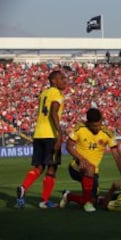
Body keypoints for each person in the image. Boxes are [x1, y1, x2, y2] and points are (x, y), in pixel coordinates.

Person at [59, 108, 121, 212]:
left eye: (99, 125)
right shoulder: (80, 128)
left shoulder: (107, 133)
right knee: (90, 167)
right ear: (88, 123)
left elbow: (117, 156)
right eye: (94, 126)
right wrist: (80, 159)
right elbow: (69, 146)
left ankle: (69, 196)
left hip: (93, 173)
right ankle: (87, 203)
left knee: (93, 199)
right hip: (76, 167)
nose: (97, 128)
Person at [15, 70, 67, 209]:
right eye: (62, 79)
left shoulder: (43, 93)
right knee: (51, 168)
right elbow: (53, 111)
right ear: (54, 81)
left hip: (38, 134)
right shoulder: (57, 93)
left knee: (38, 167)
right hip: (50, 135)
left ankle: (24, 187)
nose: (65, 81)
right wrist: (59, 134)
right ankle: (44, 201)